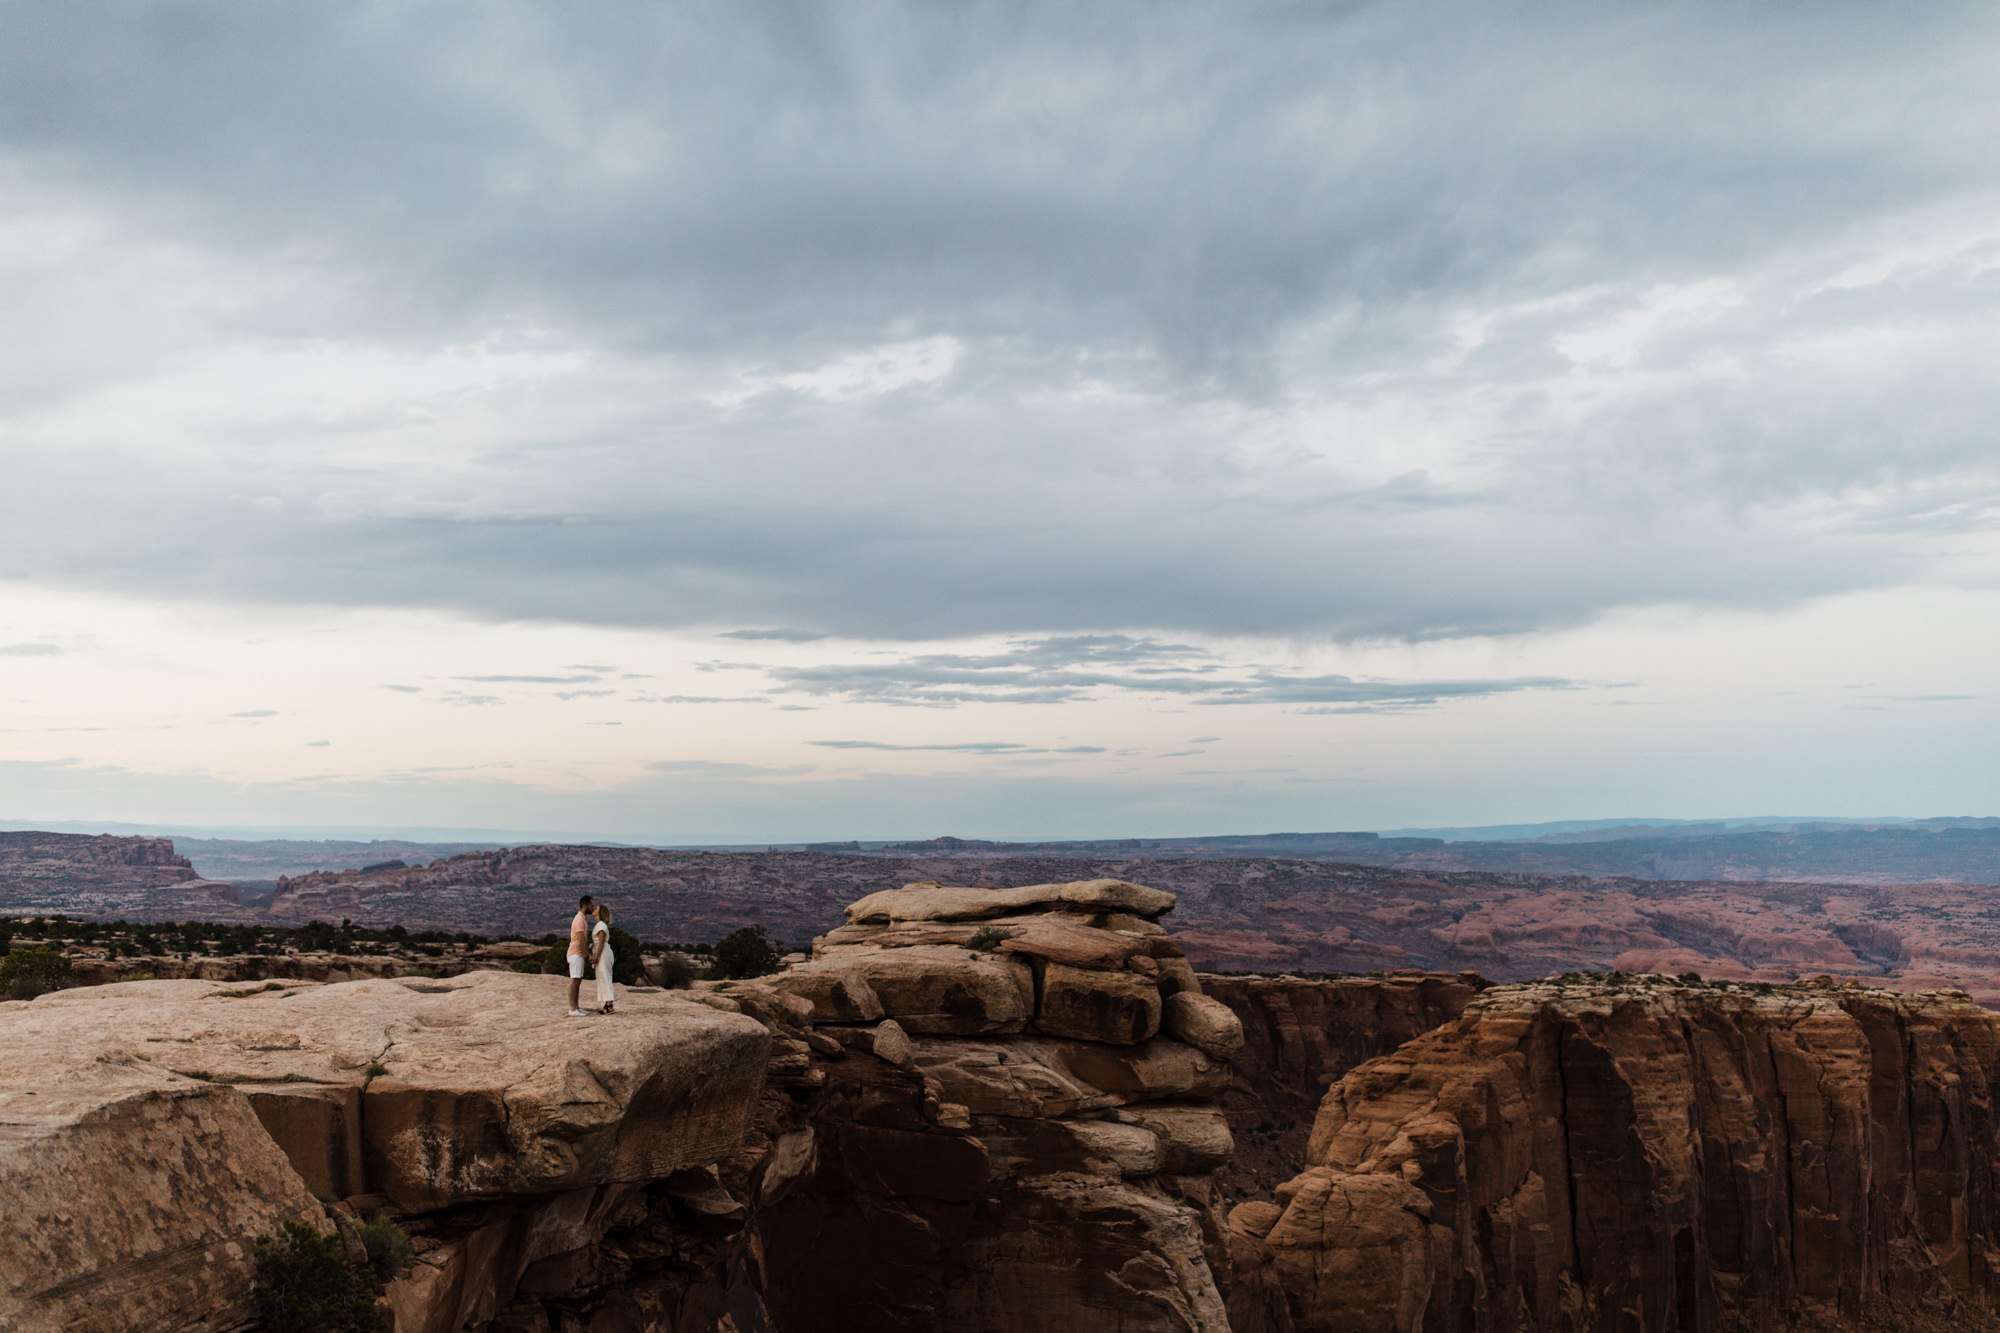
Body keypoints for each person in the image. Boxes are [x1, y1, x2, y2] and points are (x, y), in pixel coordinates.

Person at [566, 894, 595, 1016]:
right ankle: (573, 1008)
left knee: (578, 980)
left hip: (578, 953)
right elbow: (580, 939)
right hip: (576, 953)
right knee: (574, 980)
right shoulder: (579, 920)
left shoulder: (582, 918)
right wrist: (588, 954)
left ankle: (576, 1007)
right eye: (591, 905)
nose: (593, 908)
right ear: (585, 905)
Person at [590, 904, 616, 1014]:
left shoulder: (601, 925)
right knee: (604, 977)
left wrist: (596, 957)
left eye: (597, 909)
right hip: (603, 952)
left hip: (603, 954)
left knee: (605, 977)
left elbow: (600, 943)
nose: (594, 910)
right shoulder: (600, 925)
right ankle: (607, 1004)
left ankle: (609, 1006)